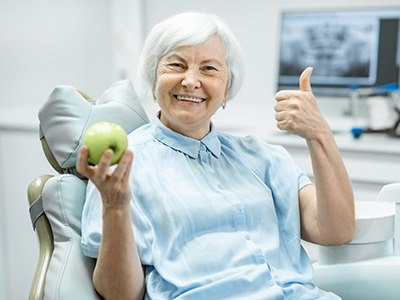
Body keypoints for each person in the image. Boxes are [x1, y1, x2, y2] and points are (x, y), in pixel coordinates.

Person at [77, 11, 355, 300]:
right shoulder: (122, 169)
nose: (190, 81)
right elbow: (120, 294)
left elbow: (336, 230)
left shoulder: (262, 157)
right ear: (153, 75)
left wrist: (319, 134)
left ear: (228, 87)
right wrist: (115, 206)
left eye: (209, 69)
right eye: (176, 65)